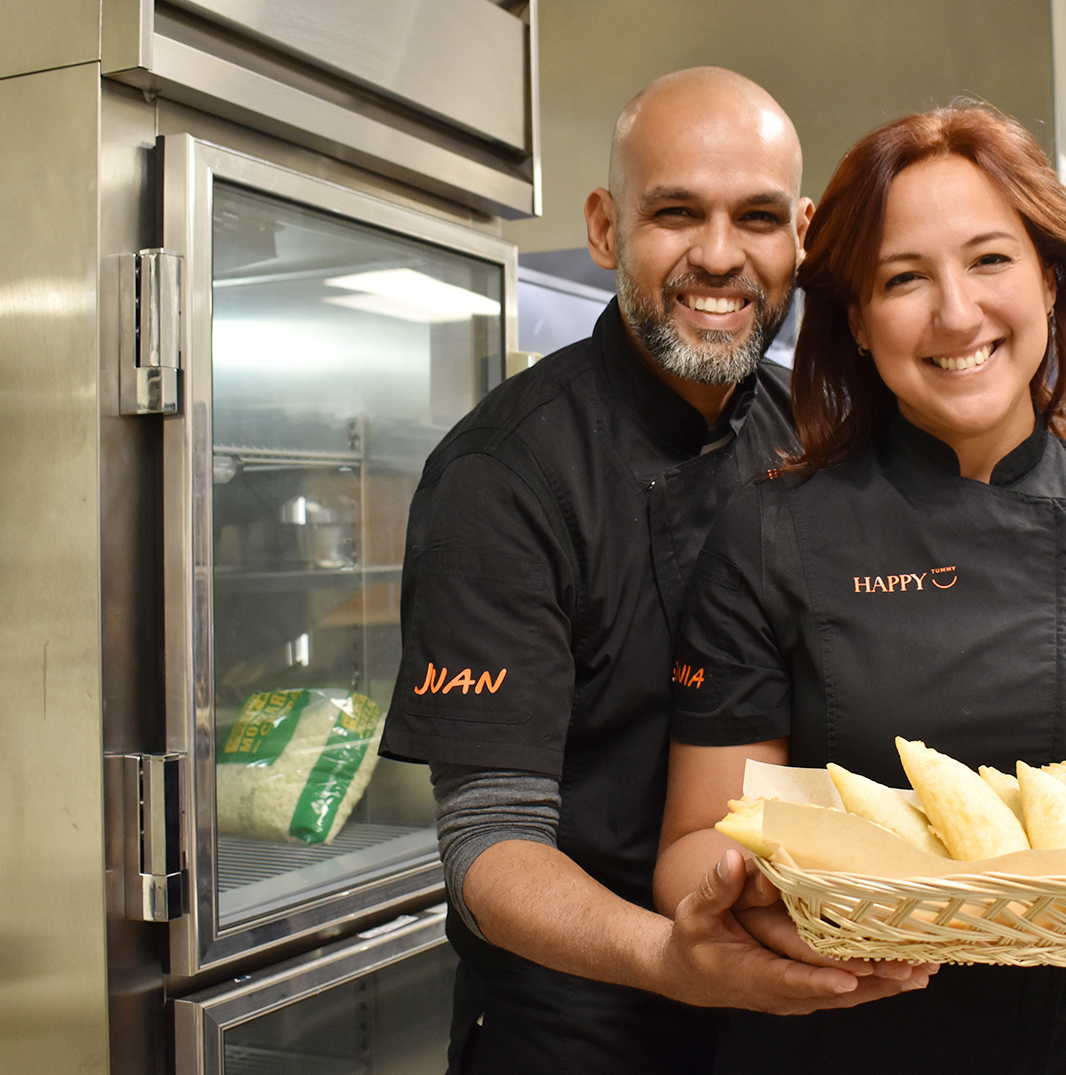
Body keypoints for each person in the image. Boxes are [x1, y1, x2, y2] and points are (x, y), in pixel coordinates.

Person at [655, 104, 1066, 1073]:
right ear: (860, 325)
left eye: (990, 260)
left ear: (1049, 278)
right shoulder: (769, 533)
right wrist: (747, 896)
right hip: (834, 1044)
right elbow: (695, 842)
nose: (956, 314)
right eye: (903, 278)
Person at [380, 68, 932, 1075]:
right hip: (581, 1023)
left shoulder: (819, 435)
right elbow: (489, 844)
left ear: (801, 235)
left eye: (756, 217)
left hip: (801, 1021)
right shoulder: (502, 476)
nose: (719, 256)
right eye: (675, 213)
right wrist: (671, 958)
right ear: (604, 228)